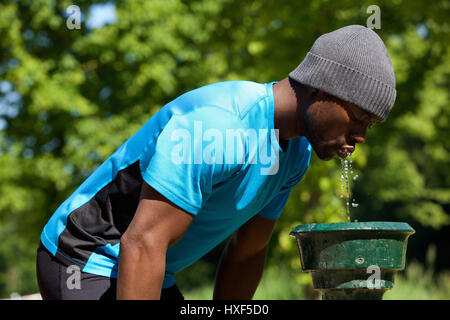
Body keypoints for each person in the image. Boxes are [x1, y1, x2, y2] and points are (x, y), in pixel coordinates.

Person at [36, 25, 396, 300]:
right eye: (359, 119)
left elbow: (247, 251)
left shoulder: (295, 154)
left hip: (154, 271)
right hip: (83, 260)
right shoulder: (219, 126)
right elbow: (143, 243)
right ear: (322, 89)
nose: (360, 137)